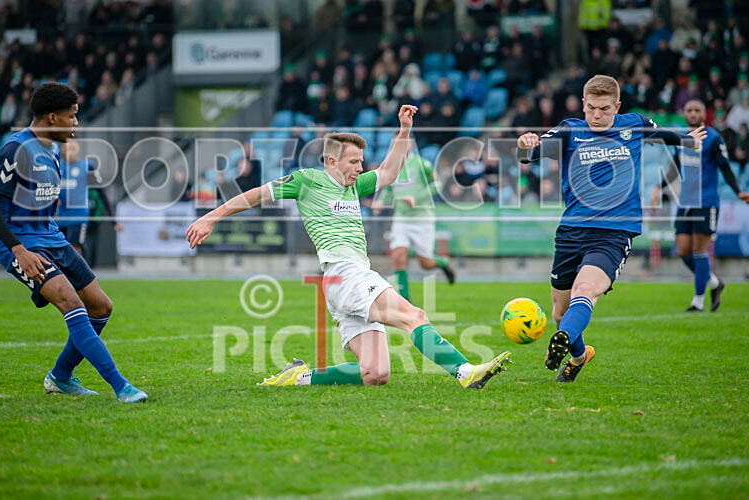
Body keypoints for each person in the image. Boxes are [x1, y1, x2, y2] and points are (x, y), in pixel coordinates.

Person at [187, 105, 511, 389]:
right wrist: (211, 218)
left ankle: (299, 377)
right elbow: (255, 195)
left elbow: (389, 170)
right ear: (331, 160)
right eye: (354, 162)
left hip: (343, 282)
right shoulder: (307, 181)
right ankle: (465, 371)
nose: (360, 168)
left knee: (375, 373)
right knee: (414, 315)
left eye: (361, 161)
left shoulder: (355, 186)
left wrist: (404, 130)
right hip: (345, 274)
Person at [516, 75, 706, 383]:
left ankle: (561, 341)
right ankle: (578, 354)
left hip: (615, 232)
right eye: (591, 108)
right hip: (572, 230)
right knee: (559, 312)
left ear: (616, 106)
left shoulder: (634, 124)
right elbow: (528, 156)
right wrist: (524, 145)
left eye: (604, 109)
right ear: (583, 104)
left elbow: (666, 135)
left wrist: (689, 140)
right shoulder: (569, 130)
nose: (596, 115)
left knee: (586, 290)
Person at [0, 83, 146, 403]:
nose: (76, 124)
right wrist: (18, 250)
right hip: (21, 244)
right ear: (53, 118)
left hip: (51, 236)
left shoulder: (52, 148)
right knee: (72, 303)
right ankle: (121, 387)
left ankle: (61, 377)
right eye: (73, 116)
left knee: (101, 306)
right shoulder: (18, 149)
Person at [650, 100, 749, 312]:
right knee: (682, 250)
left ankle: (698, 301)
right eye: (689, 110)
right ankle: (714, 282)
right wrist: (659, 187)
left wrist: (738, 191)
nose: (693, 113)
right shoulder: (681, 138)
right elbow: (675, 166)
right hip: (685, 202)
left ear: (704, 114)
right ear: (684, 113)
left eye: (697, 110)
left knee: (699, 250)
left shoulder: (714, 138)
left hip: (706, 201)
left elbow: (724, 166)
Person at [372, 150, 455, 304]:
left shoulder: (423, 164)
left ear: (409, 143)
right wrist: (381, 201)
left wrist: (417, 198)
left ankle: (443, 264)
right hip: (401, 219)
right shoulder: (392, 165)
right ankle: (405, 299)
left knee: (426, 263)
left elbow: (437, 185)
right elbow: (389, 188)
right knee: (398, 256)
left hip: (422, 219)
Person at [57, 140, 94, 253]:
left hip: (79, 215)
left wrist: (114, 220)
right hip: (62, 216)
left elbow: (100, 191)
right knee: (62, 249)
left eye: (73, 147)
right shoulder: (58, 166)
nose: (71, 149)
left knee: (75, 248)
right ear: (62, 149)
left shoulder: (87, 165)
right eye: (68, 147)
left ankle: (82, 270)